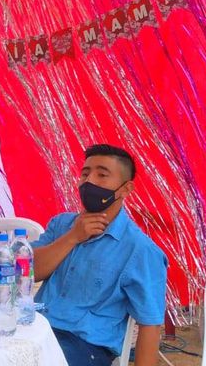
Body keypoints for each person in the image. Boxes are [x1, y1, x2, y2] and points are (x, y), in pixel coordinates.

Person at [31, 144, 167, 366]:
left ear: (125, 189)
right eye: (85, 174)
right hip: (35, 329)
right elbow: (28, 273)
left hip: (84, 346)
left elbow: (150, 323)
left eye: (102, 175)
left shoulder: (140, 250)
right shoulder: (61, 225)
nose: (89, 181)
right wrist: (73, 237)